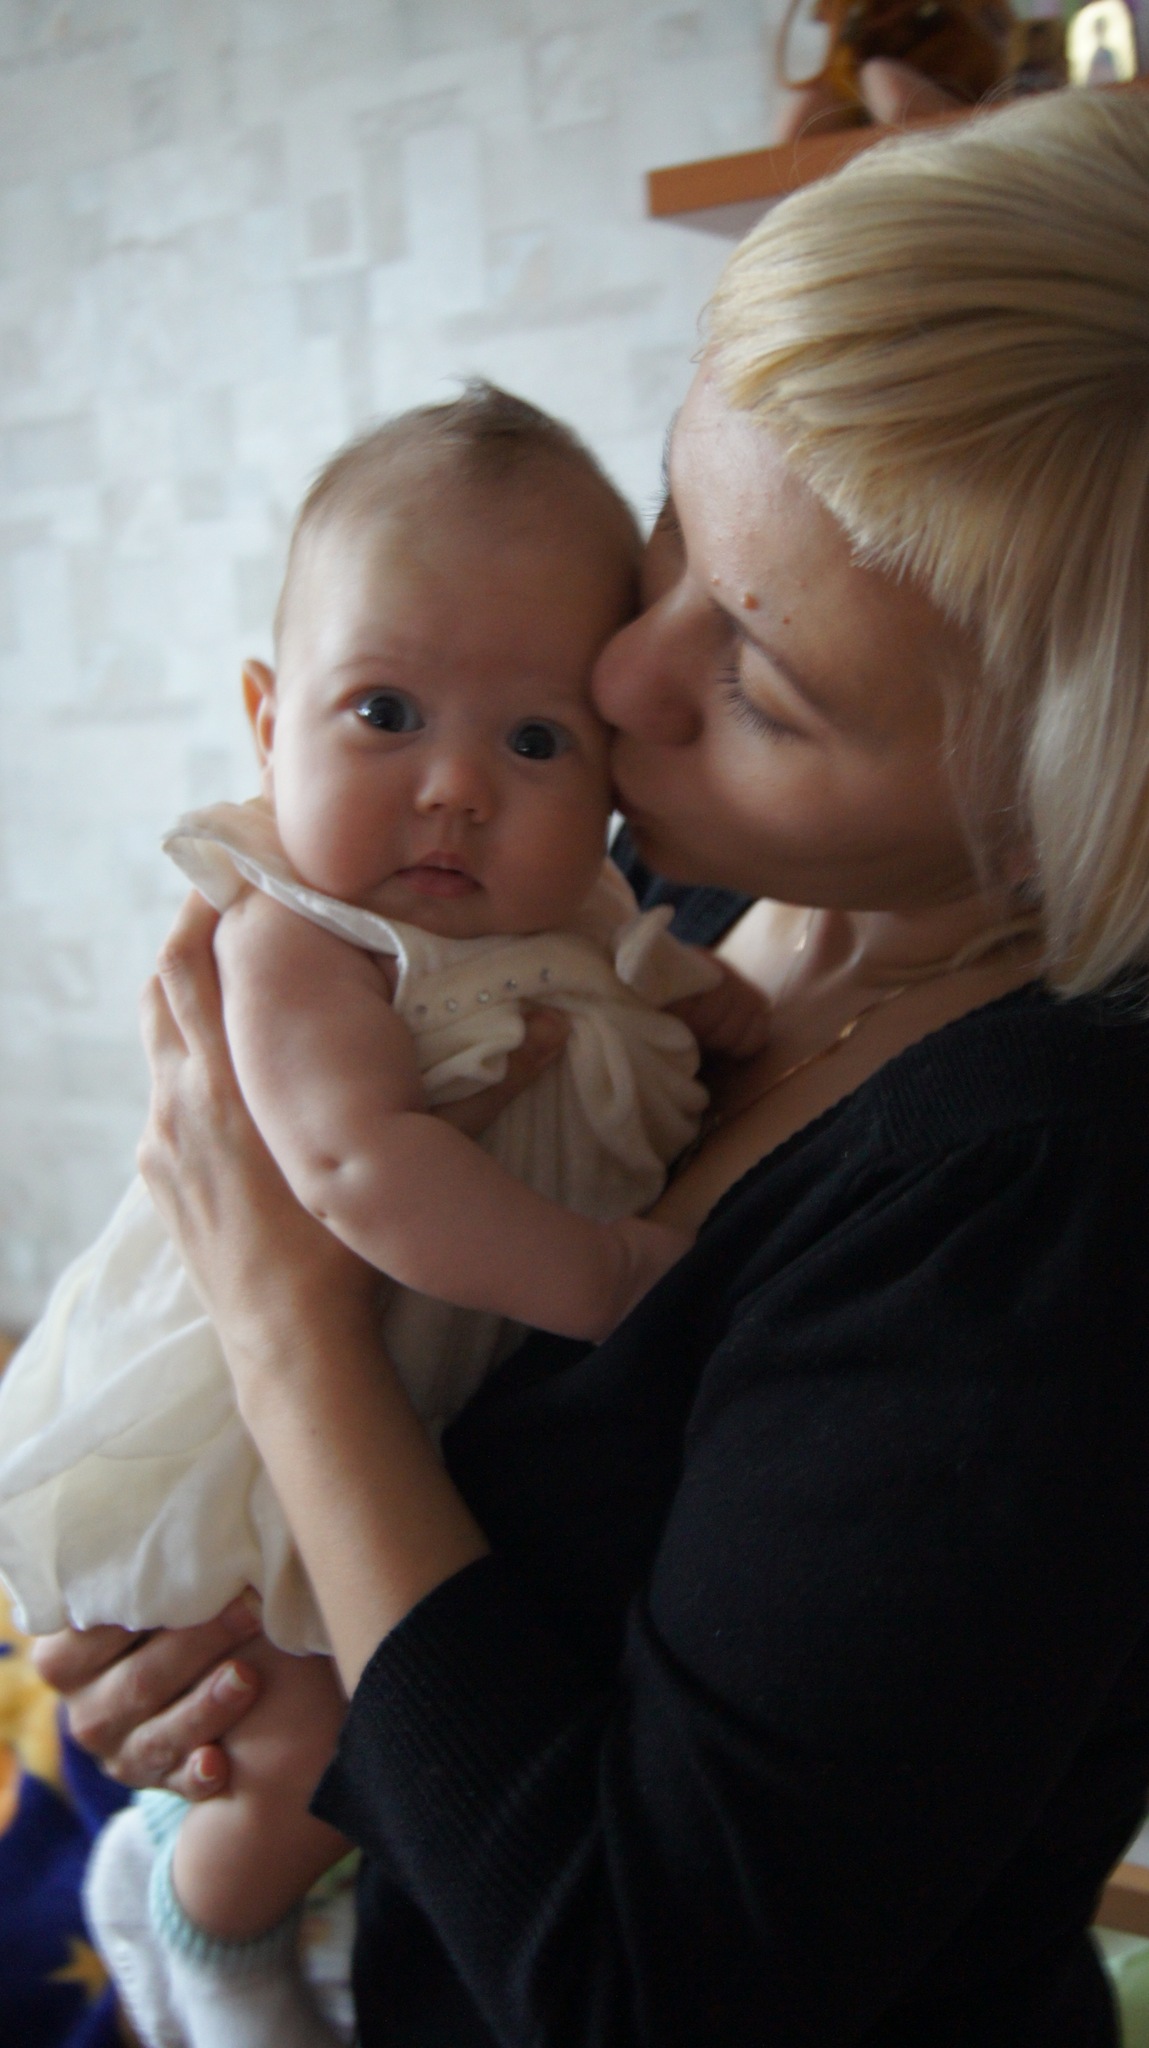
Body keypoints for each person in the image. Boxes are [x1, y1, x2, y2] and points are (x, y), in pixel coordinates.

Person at [33, 85, 1149, 2045]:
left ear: (1056, 810)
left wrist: (288, 1333)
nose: (615, 679)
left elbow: (642, 1984)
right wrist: (213, 1652)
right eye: (673, 532)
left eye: (760, 687)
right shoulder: (676, 896)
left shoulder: (1039, 1208)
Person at [0, 386, 765, 2048]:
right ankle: (197, 1918)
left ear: (610, 773)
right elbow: (354, 1170)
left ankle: (250, 1892)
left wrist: (696, 997)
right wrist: (610, 1272)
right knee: (310, 1728)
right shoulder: (297, 931)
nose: (455, 791)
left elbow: (630, 970)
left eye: (534, 741)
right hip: (264, 1426)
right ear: (265, 716)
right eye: (385, 712)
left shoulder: (583, 900)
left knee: (379, 1714)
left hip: (412, 1389)